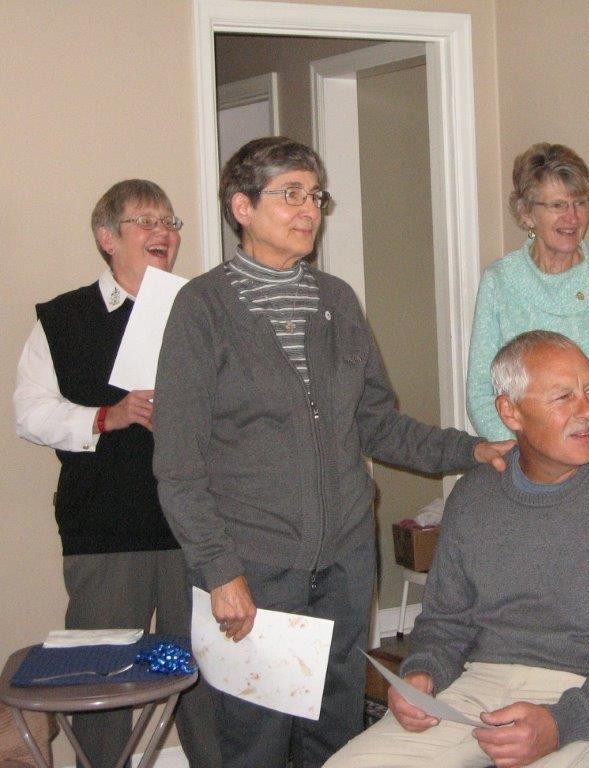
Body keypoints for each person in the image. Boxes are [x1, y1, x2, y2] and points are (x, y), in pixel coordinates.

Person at [152, 137, 512, 768]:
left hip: (344, 563)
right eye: (289, 193)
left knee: (336, 733)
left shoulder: (337, 302)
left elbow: (378, 424)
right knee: (256, 740)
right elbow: (177, 464)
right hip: (256, 569)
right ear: (241, 206)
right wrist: (220, 571)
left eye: (314, 194)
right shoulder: (201, 309)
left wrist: (471, 448)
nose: (309, 209)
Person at [326, 330, 589, 768]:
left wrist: (562, 722)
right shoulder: (473, 497)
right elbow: (444, 621)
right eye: (563, 397)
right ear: (509, 411)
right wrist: (420, 674)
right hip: (480, 684)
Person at [13, 179, 220, 768]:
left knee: (203, 681)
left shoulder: (200, 310)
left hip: (194, 529)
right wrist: (109, 415)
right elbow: (31, 415)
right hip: (105, 529)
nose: (164, 233)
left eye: (171, 222)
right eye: (146, 221)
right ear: (107, 238)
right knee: (101, 681)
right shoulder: (63, 318)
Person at [465, 143, 589, 463]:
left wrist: (579, 446)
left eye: (581, 203)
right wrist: (532, 459)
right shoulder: (500, 281)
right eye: (558, 204)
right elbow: (481, 392)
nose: (572, 217)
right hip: (524, 464)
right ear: (526, 213)